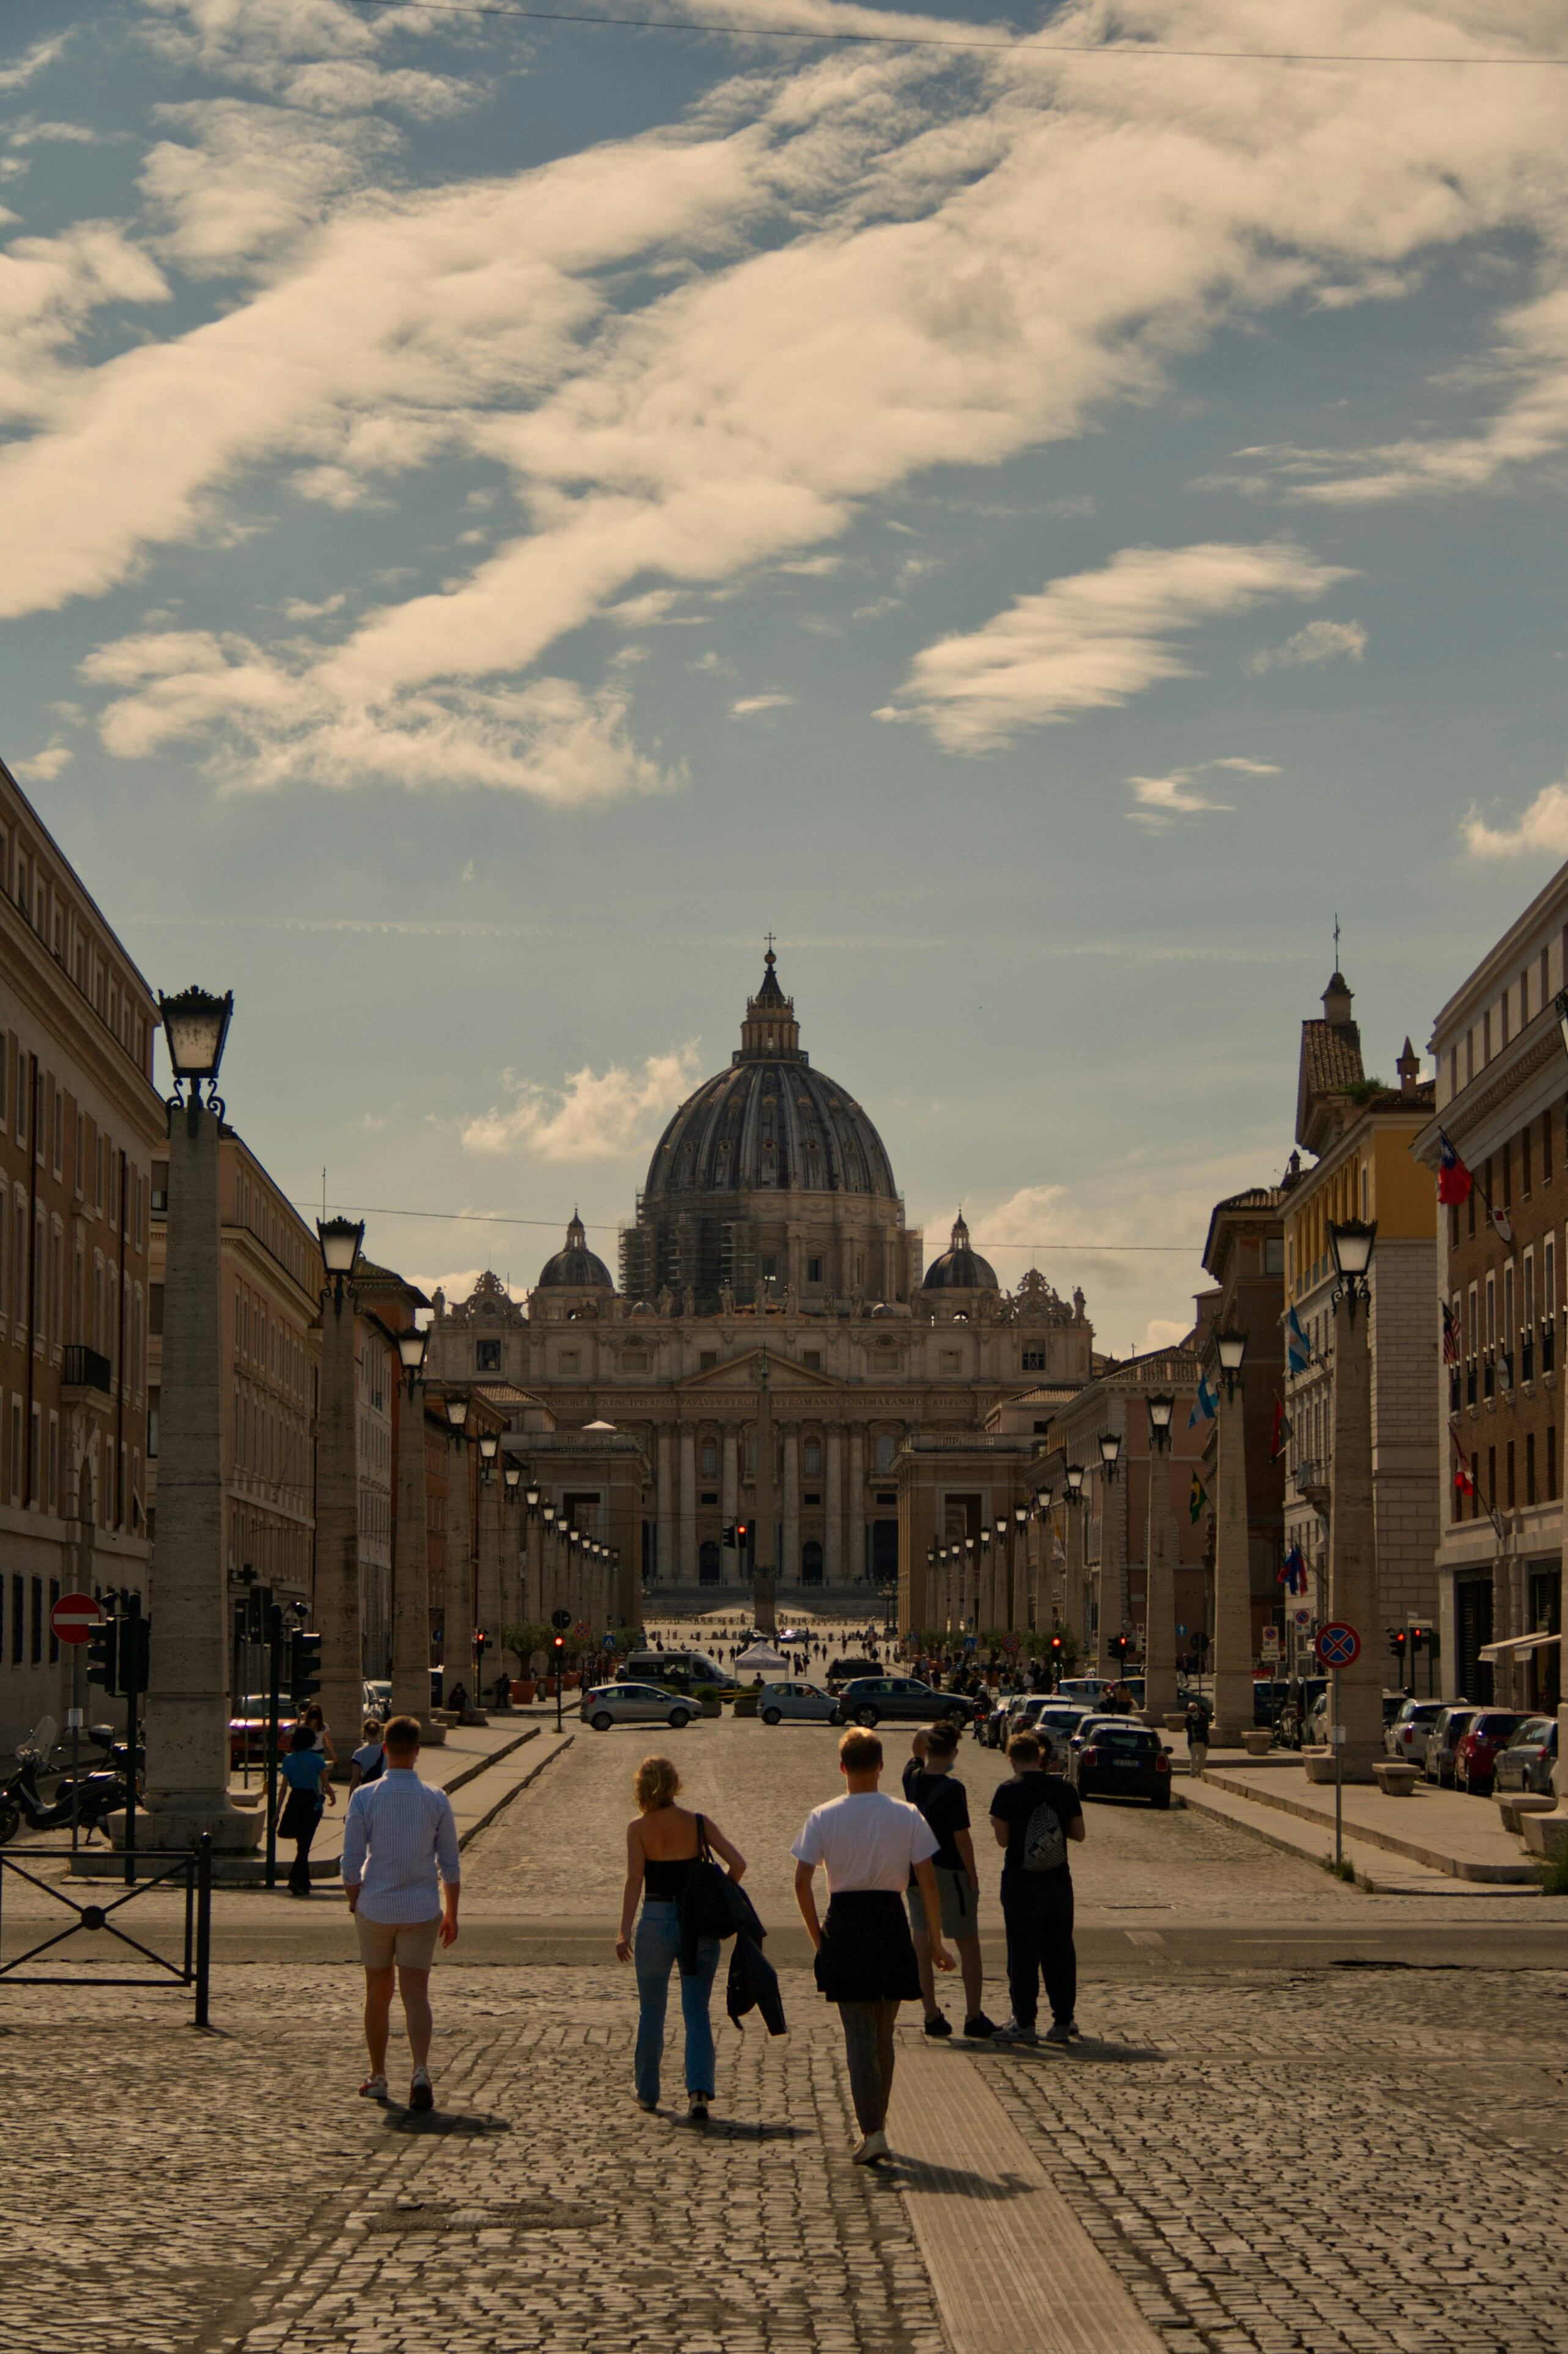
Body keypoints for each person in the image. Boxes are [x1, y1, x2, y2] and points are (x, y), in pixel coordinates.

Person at [792, 1727, 955, 2166]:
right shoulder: (906, 1814)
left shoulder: (823, 1815)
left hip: (844, 1920)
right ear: (881, 1766)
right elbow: (928, 1882)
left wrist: (817, 1938)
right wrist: (936, 1941)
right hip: (890, 1919)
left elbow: (802, 1881)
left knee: (860, 2036)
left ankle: (873, 2130)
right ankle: (876, 2124)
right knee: (883, 2034)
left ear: (842, 1766)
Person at [616, 1754, 746, 2122]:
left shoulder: (638, 1829)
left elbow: (634, 1881)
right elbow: (738, 1864)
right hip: (698, 1924)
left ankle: (647, 2092)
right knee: (697, 2010)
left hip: (656, 1921)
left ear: (641, 1787)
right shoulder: (699, 1824)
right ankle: (699, 2092)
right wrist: (717, 1897)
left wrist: (624, 1930)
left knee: (652, 2011)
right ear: (675, 1785)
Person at [342, 1713, 460, 2113]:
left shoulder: (365, 1796)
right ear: (418, 1751)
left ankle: (378, 2075)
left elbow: (351, 1858)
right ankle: (421, 2070)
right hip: (422, 1906)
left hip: (376, 1905)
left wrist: (354, 1898)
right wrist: (452, 1913)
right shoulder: (436, 1798)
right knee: (416, 1995)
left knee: (377, 1992)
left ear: (386, 1749)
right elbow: (450, 1864)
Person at [988, 1729, 1084, 2047]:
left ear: (1012, 1759)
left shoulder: (1007, 1791)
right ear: (1041, 1757)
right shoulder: (1063, 1788)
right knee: (1060, 1949)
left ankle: (1025, 2021)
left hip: (1020, 1881)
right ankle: (1063, 2020)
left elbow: (1002, 1840)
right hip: (1058, 1881)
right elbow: (1079, 1833)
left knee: (1023, 1951)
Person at [906, 1718, 993, 2040]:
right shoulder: (955, 1789)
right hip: (949, 1871)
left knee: (922, 1943)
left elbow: (916, 1743)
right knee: (967, 1942)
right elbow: (962, 1839)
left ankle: (931, 2014)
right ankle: (973, 2015)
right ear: (954, 1751)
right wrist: (973, 1875)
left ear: (929, 1748)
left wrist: (926, 1733)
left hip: (915, 1870)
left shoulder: (911, 1778)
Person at [278, 1721, 335, 1896]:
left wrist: (277, 1811)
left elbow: (283, 1788)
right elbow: (325, 1784)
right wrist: (333, 1796)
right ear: (311, 1741)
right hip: (312, 1802)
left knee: (302, 1844)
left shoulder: (288, 1760)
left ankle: (302, 1882)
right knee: (305, 1843)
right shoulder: (317, 1760)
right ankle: (297, 1880)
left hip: (295, 1801)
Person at [348, 1717, 386, 1790]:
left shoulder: (359, 1753)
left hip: (367, 1790)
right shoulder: (388, 1750)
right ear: (379, 1732)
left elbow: (355, 1781)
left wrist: (350, 1800)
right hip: (384, 1789)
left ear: (364, 1733)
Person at [298, 1701, 336, 1768]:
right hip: (307, 1753)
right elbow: (300, 1741)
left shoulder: (324, 1726)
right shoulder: (303, 1725)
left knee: (320, 1773)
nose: (314, 1714)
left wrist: (333, 1754)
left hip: (319, 1753)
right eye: (313, 1712)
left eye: (316, 1712)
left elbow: (328, 1741)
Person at [900, 1725, 930, 1800]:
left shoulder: (913, 1776)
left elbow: (918, 1752)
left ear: (927, 1750)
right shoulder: (955, 1788)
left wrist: (921, 1732)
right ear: (954, 1753)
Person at [1185, 1696, 1211, 1778]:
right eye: (1191, 1710)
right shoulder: (1188, 1718)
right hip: (1193, 1741)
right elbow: (1188, 1729)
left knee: (1202, 1759)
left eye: (1194, 1709)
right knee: (1193, 1759)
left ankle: (1200, 1774)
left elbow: (1206, 1728)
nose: (1192, 1711)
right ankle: (1193, 1774)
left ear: (1197, 1709)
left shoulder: (1203, 1717)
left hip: (1203, 1741)